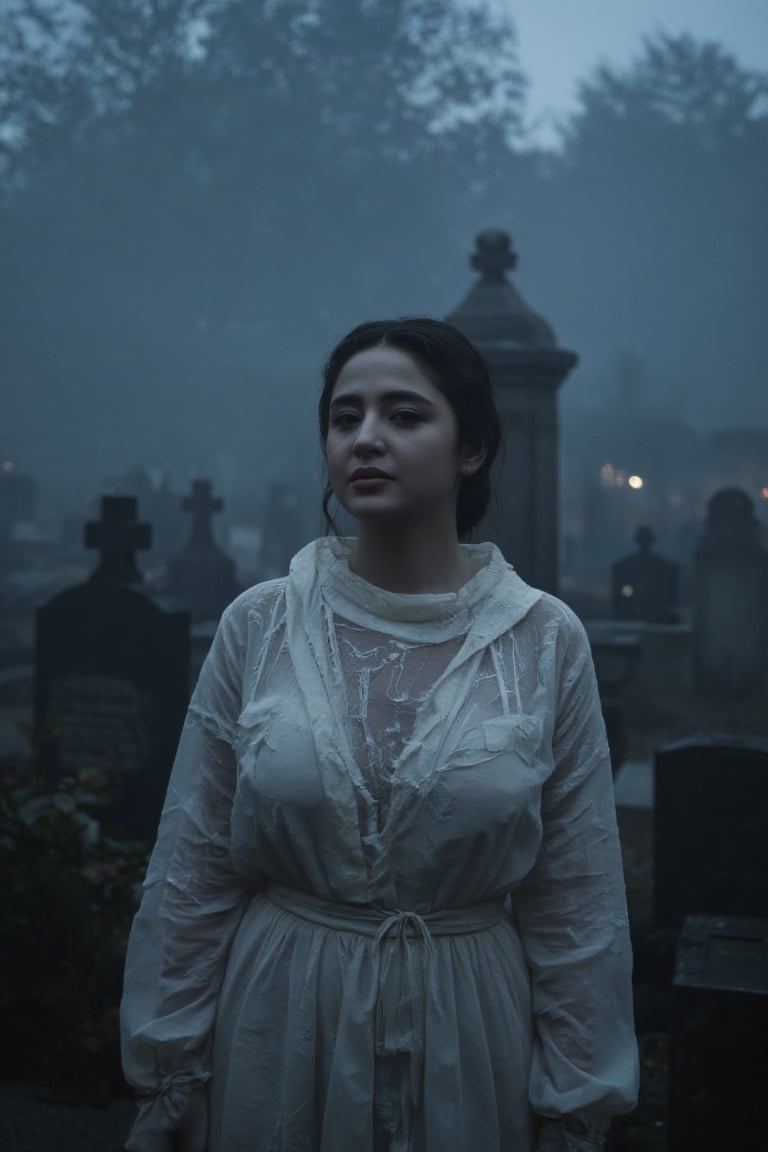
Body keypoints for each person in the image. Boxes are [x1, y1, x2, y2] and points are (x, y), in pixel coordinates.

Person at [121, 317, 639, 1152]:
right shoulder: (261, 625)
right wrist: (171, 1065)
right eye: (344, 417)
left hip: (467, 1028)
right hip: (281, 1021)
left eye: (403, 415)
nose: (365, 438)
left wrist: (575, 1102)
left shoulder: (543, 640)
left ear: (470, 448)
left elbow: (576, 902)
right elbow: (194, 865)